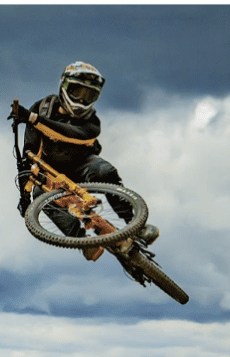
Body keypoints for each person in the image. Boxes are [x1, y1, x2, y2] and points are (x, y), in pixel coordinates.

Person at [9, 61, 158, 245]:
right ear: (64, 87)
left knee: (103, 170)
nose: (81, 101)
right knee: (40, 195)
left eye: (89, 96)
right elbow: (28, 157)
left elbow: (71, 134)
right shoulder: (42, 108)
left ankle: (135, 226)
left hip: (83, 165)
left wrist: (34, 120)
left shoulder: (92, 122)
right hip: (53, 172)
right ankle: (81, 241)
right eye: (77, 92)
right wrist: (24, 198)